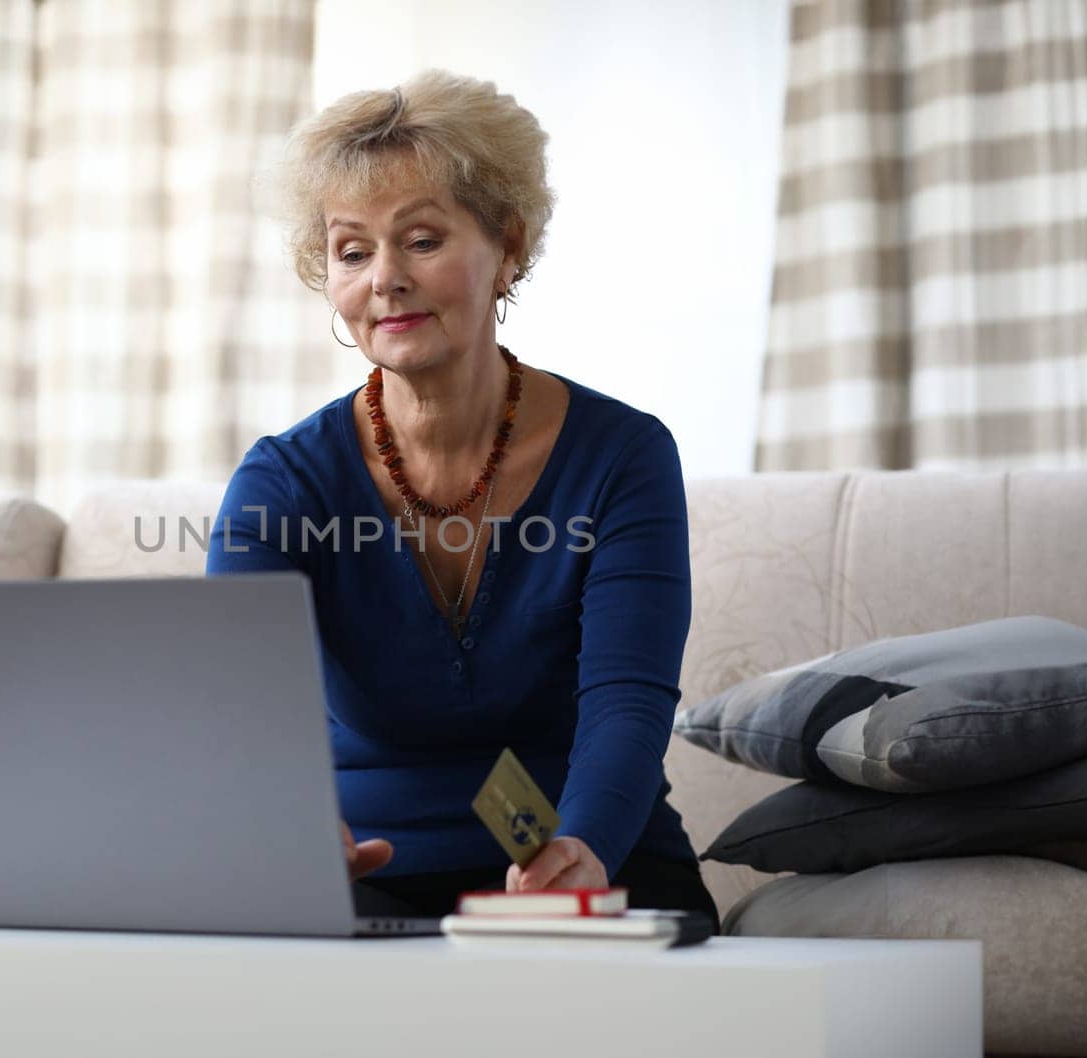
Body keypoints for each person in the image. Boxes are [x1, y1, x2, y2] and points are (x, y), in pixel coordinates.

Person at [207, 69, 718, 924]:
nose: (385, 281)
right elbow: (240, 707)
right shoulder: (282, 481)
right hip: (365, 867)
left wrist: (585, 849)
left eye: (422, 239)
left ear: (507, 246)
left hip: (589, 853)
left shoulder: (622, 456)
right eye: (352, 250)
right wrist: (290, 827)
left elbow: (627, 696)